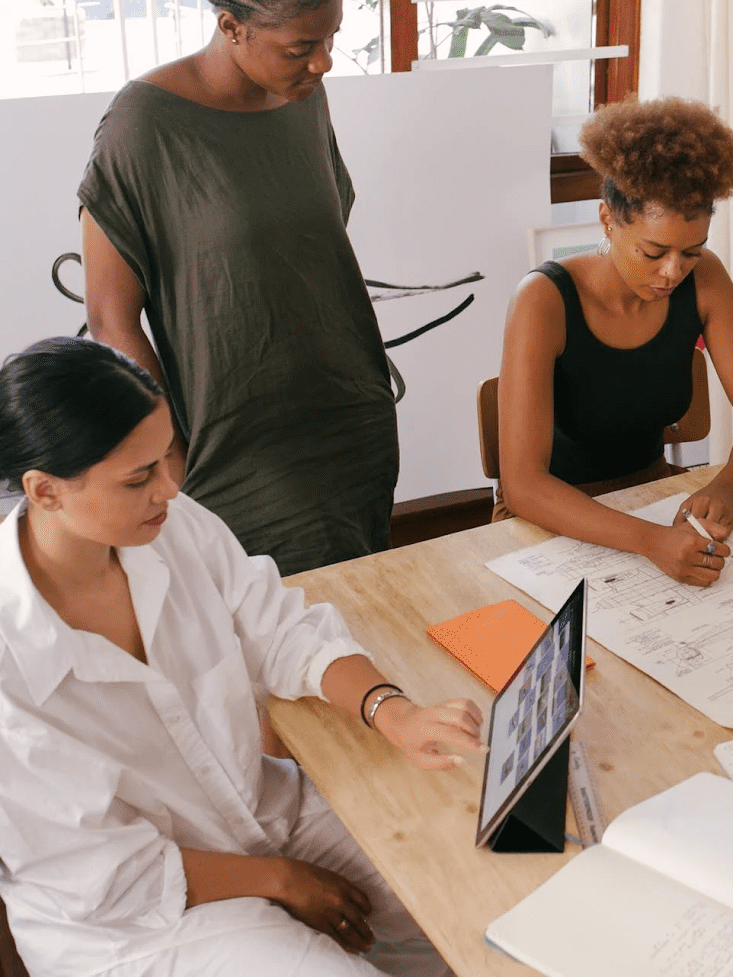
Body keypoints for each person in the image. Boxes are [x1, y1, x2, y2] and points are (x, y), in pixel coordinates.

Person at [0, 336, 484, 977]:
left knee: (470, 901)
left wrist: (389, 711)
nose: (170, 488)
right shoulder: (11, 663)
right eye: (139, 477)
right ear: (46, 492)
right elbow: (101, 874)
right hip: (133, 921)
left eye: (166, 456)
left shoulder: (168, 524)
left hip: (259, 811)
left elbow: (279, 629)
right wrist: (280, 880)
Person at [79, 0, 397, 577]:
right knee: (265, 642)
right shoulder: (144, 125)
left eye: (331, 37)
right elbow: (111, 317)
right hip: (237, 447)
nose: (323, 60)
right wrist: (167, 455)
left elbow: (313, 247)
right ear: (232, 26)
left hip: (350, 420)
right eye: (300, 46)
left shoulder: (303, 94)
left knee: (359, 619)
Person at [496, 97, 733, 586]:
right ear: (608, 220)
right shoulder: (543, 300)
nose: (672, 272)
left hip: (651, 500)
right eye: (654, 252)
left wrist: (725, 488)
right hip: (550, 522)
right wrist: (650, 541)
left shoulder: (705, 280)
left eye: (691, 252)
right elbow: (524, 486)